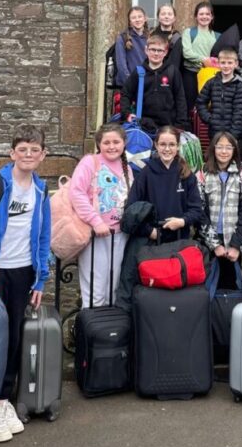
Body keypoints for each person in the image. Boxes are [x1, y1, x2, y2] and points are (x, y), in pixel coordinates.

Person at [0, 125, 52, 443]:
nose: (28, 154)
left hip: (23, 273)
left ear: (43, 155)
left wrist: (40, 278)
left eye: (34, 150)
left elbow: (43, 235)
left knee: (15, 339)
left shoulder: (41, 190)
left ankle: (3, 401)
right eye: (22, 149)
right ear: (12, 153)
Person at [116, 126, 203, 309]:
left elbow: (196, 210)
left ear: (178, 146)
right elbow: (131, 211)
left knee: (173, 288)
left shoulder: (187, 175)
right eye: (163, 144)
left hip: (178, 241)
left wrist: (182, 221)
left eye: (171, 144)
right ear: (156, 145)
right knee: (143, 286)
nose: (167, 149)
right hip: (150, 242)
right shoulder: (146, 173)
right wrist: (150, 231)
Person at [69, 124, 133, 308]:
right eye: (106, 142)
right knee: (95, 292)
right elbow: (77, 193)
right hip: (95, 234)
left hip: (119, 234)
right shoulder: (90, 162)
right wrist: (96, 222)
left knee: (112, 289)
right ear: (99, 144)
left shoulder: (126, 168)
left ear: (124, 143)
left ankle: (107, 324)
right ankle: (92, 324)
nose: (112, 146)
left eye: (116, 142)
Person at [196, 132, 242, 290]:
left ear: (234, 150)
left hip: (233, 237)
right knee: (208, 286)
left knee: (230, 285)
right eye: (220, 147)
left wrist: (236, 245)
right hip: (208, 240)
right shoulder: (202, 173)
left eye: (228, 147)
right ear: (213, 148)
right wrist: (215, 244)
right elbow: (199, 212)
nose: (224, 151)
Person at [122, 30, 188, 136]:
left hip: (168, 125)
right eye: (153, 49)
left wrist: (180, 124)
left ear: (165, 52)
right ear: (146, 50)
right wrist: (127, 114)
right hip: (143, 125)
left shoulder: (172, 71)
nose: (156, 53)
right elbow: (125, 94)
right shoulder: (139, 72)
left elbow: (180, 99)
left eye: (160, 50)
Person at [196, 46, 242, 141]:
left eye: (230, 63)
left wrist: (233, 135)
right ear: (218, 63)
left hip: (234, 135)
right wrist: (209, 119)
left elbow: (240, 112)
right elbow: (200, 102)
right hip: (214, 132)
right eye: (223, 63)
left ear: (236, 64)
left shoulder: (239, 85)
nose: (226, 66)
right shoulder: (211, 83)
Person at [181, 1, 220, 112]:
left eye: (207, 14)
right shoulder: (189, 32)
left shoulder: (217, 36)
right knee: (190, 105)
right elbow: (187, 52)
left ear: (212, 17)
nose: (204, 16)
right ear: (196, 16)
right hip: (191, 74)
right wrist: (203, 59)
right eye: (201, 14)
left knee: (208, 105)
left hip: (209, 75)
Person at [113, 5, 149, 89]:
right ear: (129, 21)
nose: (137, 20)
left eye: (140, 16)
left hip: (146, 82)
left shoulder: (150, 37)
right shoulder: (123, 38)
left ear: (145, 18)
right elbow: (121, 64)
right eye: (133, 18)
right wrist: (129, 83)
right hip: (129, 83)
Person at [155, 3, 184, 74]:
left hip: (168, 75)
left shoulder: (176, 38)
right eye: (163, 14)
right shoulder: (151, 35)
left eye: (170, 14)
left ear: (174, 18)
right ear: (158, 17)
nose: (166, 16)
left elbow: (175, 63)